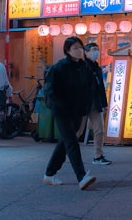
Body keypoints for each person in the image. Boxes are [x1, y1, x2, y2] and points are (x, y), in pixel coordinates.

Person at [43, 37, 97, 190]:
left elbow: (88, 90)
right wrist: (60, 106)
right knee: (72, 141)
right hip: (61, 111)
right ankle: (81, 176)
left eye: (80, 47)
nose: (79, 50)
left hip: (76, 111)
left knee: (65, 141)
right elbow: (50, 90)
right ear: (67, 50)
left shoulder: (84, 67)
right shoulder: (59, 67)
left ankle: (49, 173)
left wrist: (85, 110)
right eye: (75, 47)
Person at [77, 43, 111, 165]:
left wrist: (104, 103)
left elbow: (100, 87)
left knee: (99, 130)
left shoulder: (97, 67)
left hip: (95, 104)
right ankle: (65, 153)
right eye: (93, 50)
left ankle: (98, 156)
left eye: (97, 50)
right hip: (82, 104)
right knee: (78, 131)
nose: (96, 52)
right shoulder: (81, 67)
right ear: (86, 52)